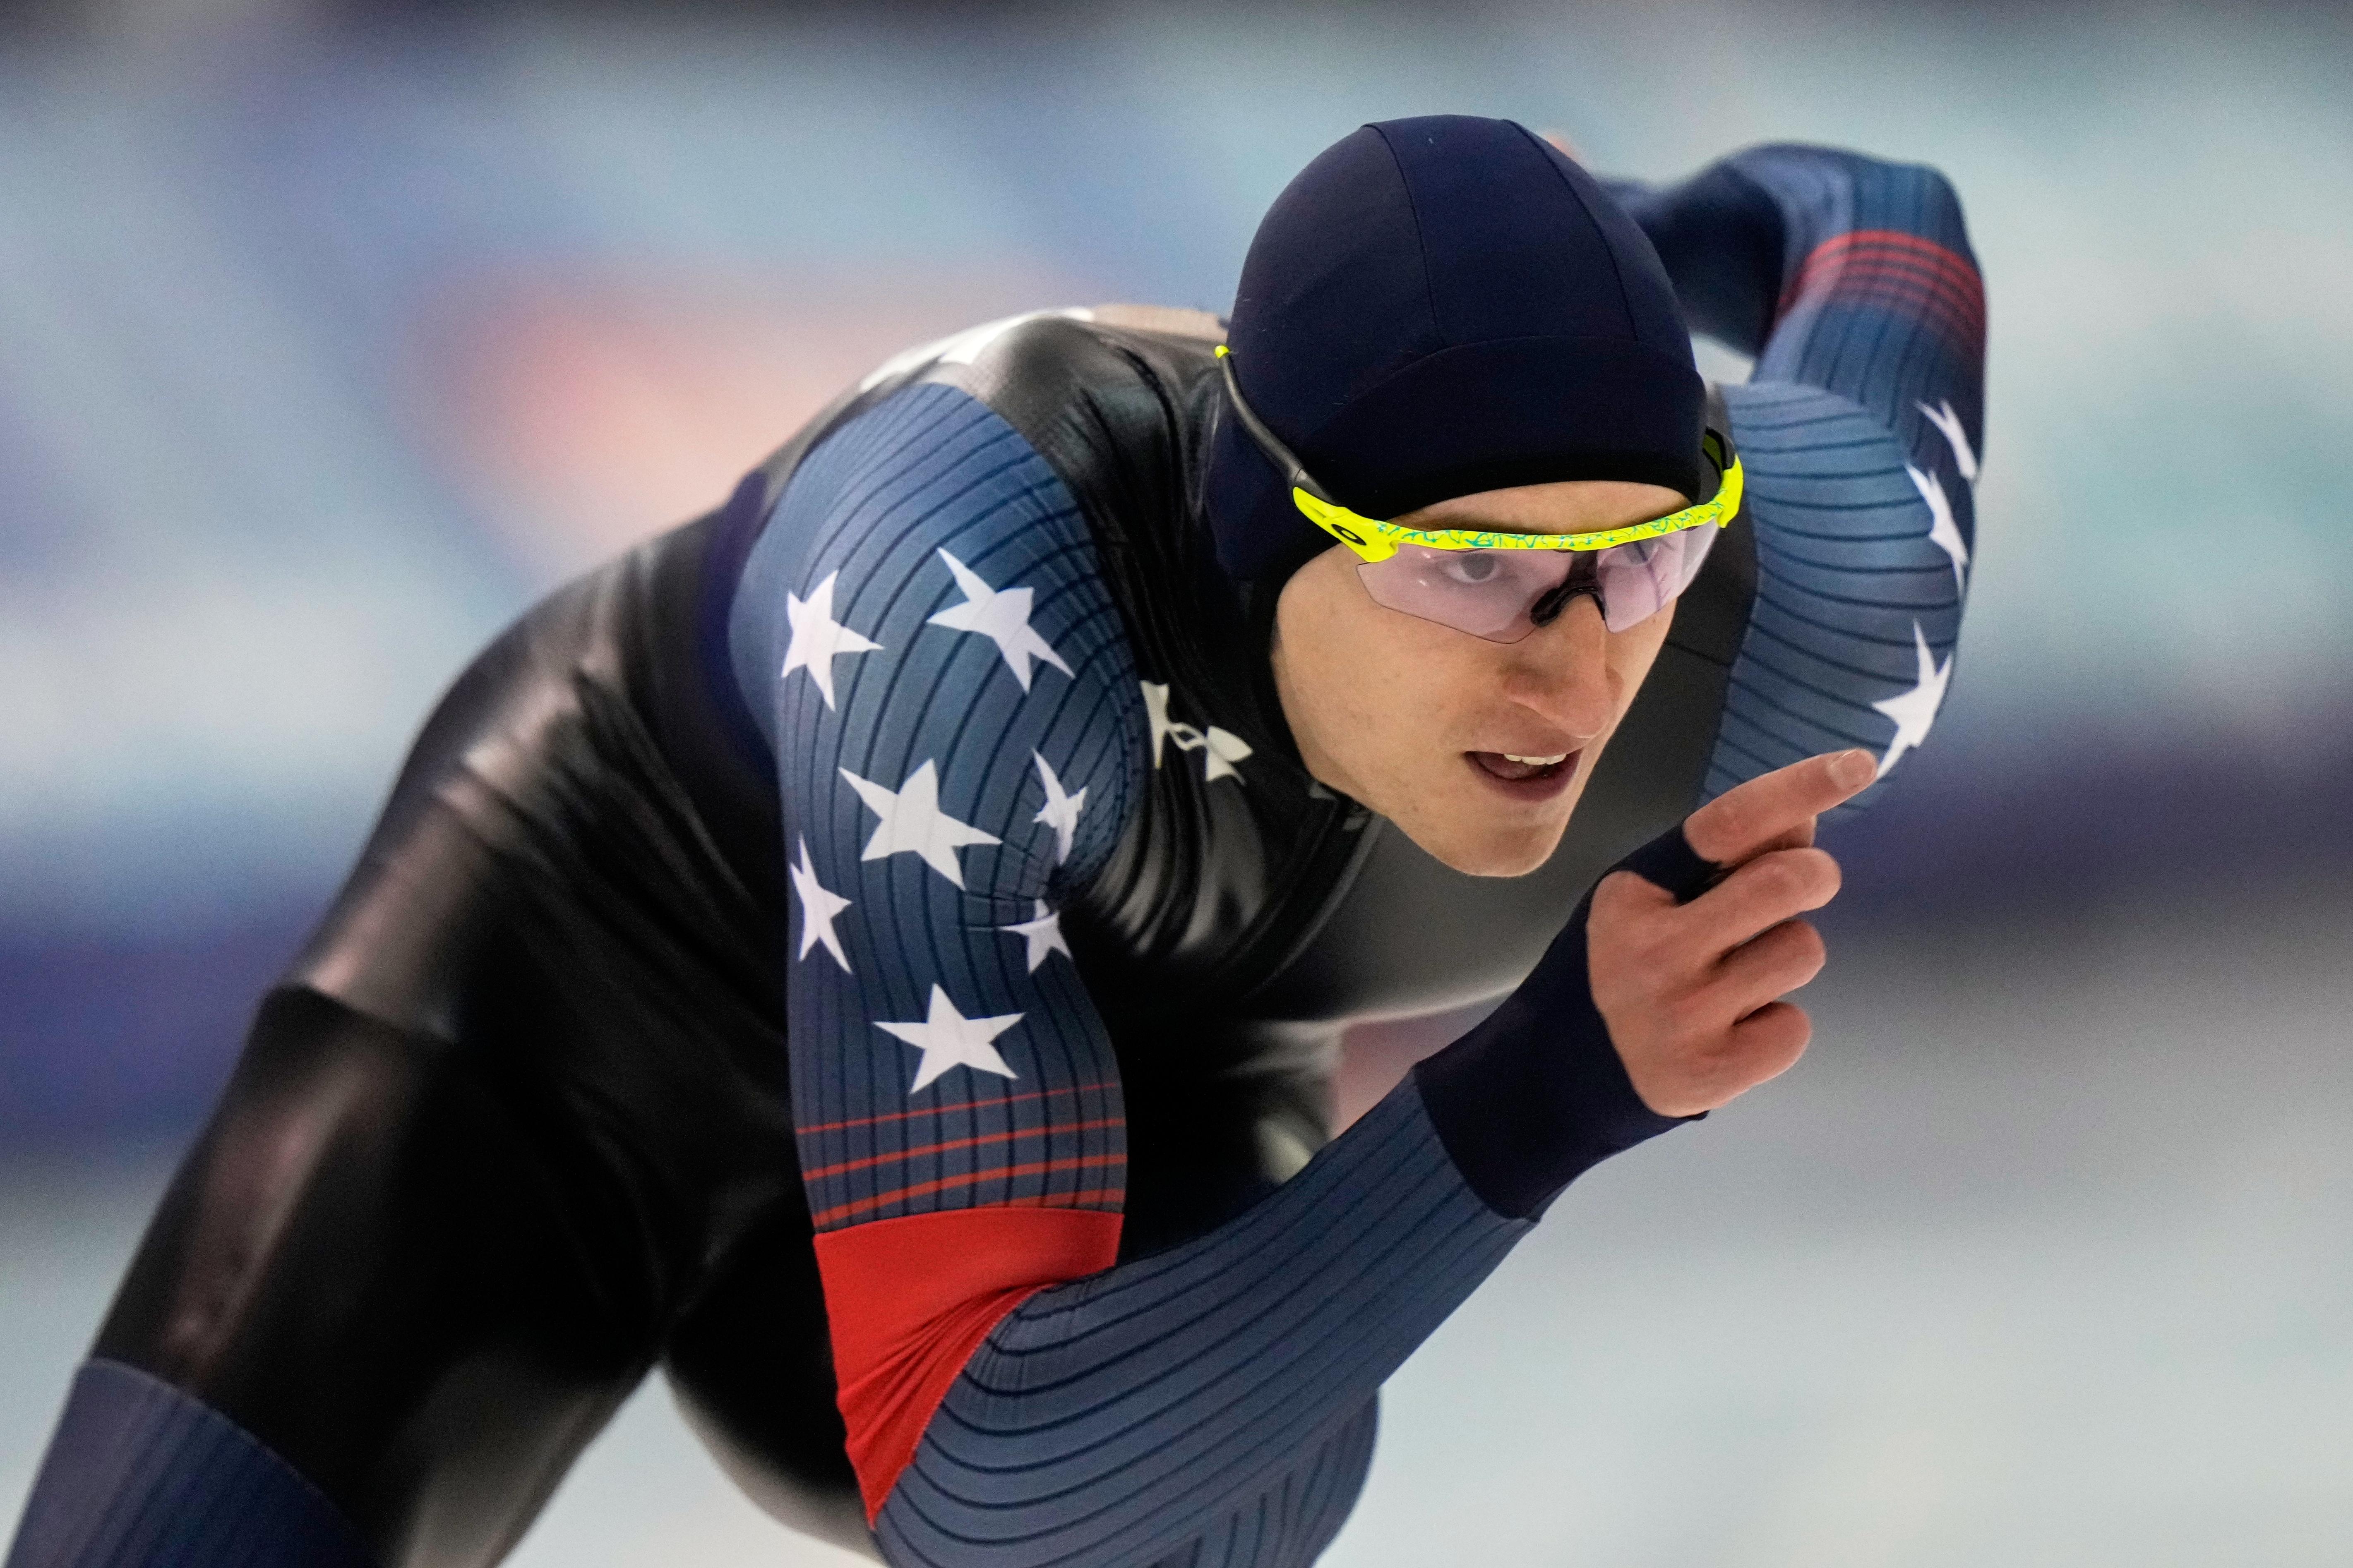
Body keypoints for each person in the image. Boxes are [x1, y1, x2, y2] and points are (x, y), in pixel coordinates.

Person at [6, 116, 1982, 1568]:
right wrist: (1541, 1098)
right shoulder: (968, 603)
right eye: (1465, 570)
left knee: (1222, 1496)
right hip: (589, 984)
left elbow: (1881, 216)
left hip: (1123, 1073)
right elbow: (981, 1475)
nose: (1572, 670)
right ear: (1263, 532)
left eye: (1632, 559)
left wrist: (1625, 235)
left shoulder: (1823, 602)